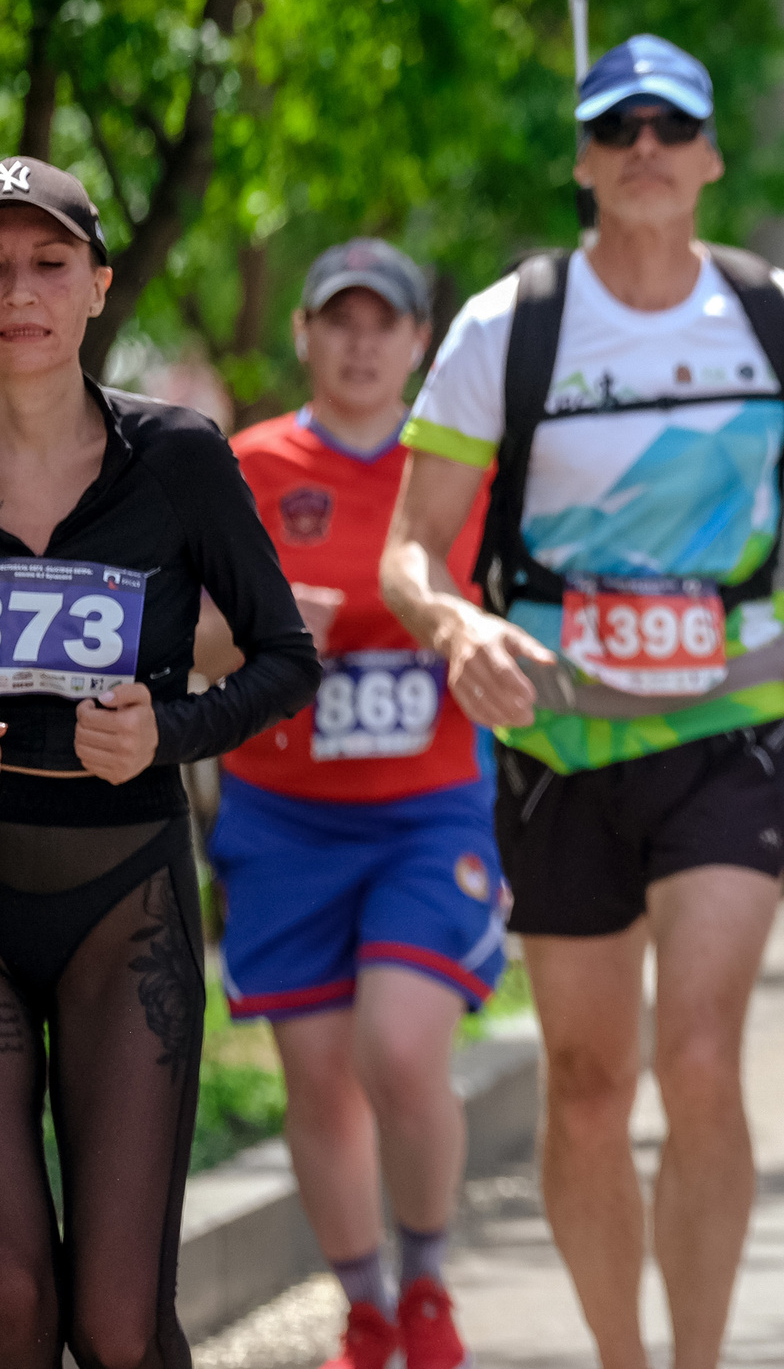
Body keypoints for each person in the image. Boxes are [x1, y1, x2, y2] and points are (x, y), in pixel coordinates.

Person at [380, 36, 784, 1369]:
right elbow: (413, 541)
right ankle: (623, 1353)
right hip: (560, 730)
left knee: (701, 1055)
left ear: (713, 156)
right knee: (591, 1084)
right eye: (618, 128)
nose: (646, 145)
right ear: (588, 162)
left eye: (672, 125)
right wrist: (456, 619)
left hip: (731, 720)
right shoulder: (510, 326)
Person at [0, 158, 320, 1369]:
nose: (17, 291)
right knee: (13, 1302)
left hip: (122, 902)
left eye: (46, 264)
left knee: (116, 1323)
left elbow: (286, 659)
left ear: (96, 285)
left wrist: (169, 729)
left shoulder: (178, 457)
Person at [195, 241, 496, 1369]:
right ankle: (364, 1312)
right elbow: (182, 641)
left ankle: (427, 1286)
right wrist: (268, 634)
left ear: (422, 341)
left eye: (387, 322)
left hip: (429, 809)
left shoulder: (466, 469)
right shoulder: (246, 467)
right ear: (308, 336)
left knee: (400, 1046)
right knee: (318, 1077)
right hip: (283, 816)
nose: (363, 341)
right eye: (342, 320)